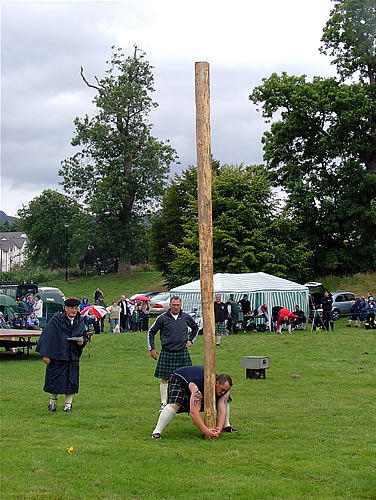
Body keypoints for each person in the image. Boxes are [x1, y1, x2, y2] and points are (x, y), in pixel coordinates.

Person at [151, 365, 236, 439]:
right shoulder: (197, 388)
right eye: (222, 390)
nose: (223, 392)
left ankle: (226, 426)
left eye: (225, 391)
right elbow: (194, 412)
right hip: (180, 379)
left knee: (226, 400)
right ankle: (156, 432)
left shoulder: (224, 392)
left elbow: (222, 410)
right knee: (175, 404)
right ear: (217, 383)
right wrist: (206, 431)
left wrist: (219, 429)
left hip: (195, 379)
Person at [36, 297, 88, 413]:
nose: (74, 311)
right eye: (71, 308)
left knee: (71, 381)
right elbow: (47, 336)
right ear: (65, 308)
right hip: (58, 355)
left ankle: (68, 405)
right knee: (56, 381)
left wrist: (82, 341)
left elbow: (84, 335)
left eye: (76, 308)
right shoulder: (56, 320)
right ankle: (52, 402)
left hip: (72, 356)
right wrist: (45, 354)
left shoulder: (80, 320)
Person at [147, 296, 199, 412]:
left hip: (182, 351)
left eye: (178, 305)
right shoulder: (162, 318)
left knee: (187, 378)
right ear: (170, 305)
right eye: (174, 305)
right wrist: (152, 348)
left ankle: (185, 403)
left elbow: (196, 328)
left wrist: (191, 341)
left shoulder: (186, 317)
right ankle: (163, 404)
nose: (176, 307)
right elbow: (151, 332)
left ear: (181, 305)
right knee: (165, 378)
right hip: (167, 351)